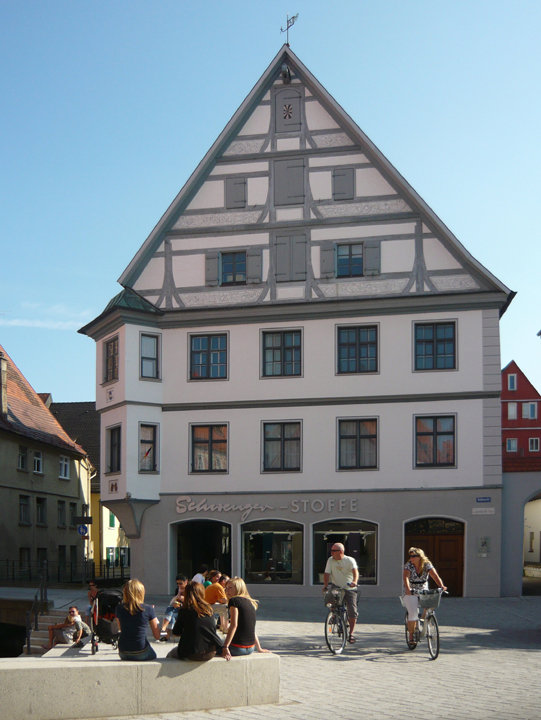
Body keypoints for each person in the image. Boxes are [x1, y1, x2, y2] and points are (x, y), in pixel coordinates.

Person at [166, 581, 224, 661]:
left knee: (170, 654)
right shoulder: (209, 609)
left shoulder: (185, 610)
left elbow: (176, 631)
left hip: (191, 653)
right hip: (210, 652)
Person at [403, 547, 447, 645]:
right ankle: (411, 636)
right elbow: (406, 577)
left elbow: (435, 575)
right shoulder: (408, 565)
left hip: (423, 590)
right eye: (410, 556)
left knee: (432, 600)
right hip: (411, 591)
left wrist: (441, 585)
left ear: (420, 556)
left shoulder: (427, 564)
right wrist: (407, 588)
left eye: (413, 556)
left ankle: (425, 617)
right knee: (413, 613)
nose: (411, 558)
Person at [221, 577, 269, 659]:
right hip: (250, 648)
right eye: (226, 588)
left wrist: (226, 647)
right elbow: (251, 628)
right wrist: (259, 648)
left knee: (211, 647)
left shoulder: (234, 601)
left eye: (230, 588)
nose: (227, 591)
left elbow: (234, 625)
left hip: (237, 648)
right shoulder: (250, 602)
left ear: (238, 588)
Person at [115, 578, 160, 661]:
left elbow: (121, 629)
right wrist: (153, 615)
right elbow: (157, 636)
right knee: (153, 655)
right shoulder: (148, 609)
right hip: (141, 651)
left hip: (123, 652)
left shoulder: (119, 608)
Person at [322, 543, 359, 644]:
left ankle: (351, 633)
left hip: (349, 588)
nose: (332, 552)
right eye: (331, 551)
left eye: (334, 551)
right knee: (331, 597)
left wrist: (354, 581)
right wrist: (325, 585)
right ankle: (333, 614)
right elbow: (326, 574)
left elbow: (355, 572)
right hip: (336, 586)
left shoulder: (349, 560)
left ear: (341, 552)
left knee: (352, 610)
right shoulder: (331, 560)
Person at [158, 574, 188, 641]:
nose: (179, 585)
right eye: (177, 583)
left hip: (187, 611)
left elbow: (191, 603)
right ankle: (164, 631)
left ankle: (165, 632)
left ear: (186, 581)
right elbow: (175, 602)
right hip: (179, 610)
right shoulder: (178, 590)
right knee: (171, 611)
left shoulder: (190, 590)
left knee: (171, 612)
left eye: (181, 583)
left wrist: (183, 601)